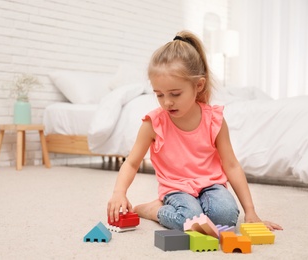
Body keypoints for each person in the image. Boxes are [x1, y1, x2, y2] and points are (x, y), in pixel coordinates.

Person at [107, 30, 283, 232]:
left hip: (212, 186)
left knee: (225, 217)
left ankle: (189, 209)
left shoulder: (214, 120)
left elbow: (232, 165)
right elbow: (131, 162)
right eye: (159, 95)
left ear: (198, 85)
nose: (167, 102)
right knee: (189, 219)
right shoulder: (153, 123)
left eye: (175, 94)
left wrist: (250, 212)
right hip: (176, 188)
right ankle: (152, 209)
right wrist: (118, 192)